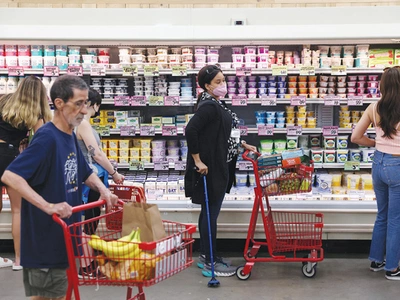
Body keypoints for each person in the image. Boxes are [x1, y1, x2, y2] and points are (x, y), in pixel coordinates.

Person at [1, 74, 118, 299]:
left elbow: (84, 172)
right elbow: (11, 175)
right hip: (45, 239)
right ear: (59, 104)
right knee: (46, 296)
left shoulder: (69, 135)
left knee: (60, 293)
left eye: (85, 103)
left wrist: (104, 191)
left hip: (65, 234)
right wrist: (48, 206)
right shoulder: (47, 137)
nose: (84, 110)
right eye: (78, 104)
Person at [184, 64, 256, 277]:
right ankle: (209, 261)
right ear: (206, 86)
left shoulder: (216, 104)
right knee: (210, 214)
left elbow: (223, 131)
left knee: (209, 213)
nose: (222, 85)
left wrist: (242, 144)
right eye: (218, 82)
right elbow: (191, 130)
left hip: (218, 165)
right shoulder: (209, 106)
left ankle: (209, 256)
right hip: (210, 168)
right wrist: (197, 160)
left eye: (224, 80)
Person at [351, 67, 400, 280]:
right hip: (397, 165)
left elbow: (355, 137)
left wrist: (375, 143)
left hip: (378, 163)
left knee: (382, 214)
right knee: (396, 219)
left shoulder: (374, 107)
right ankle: (392, 268)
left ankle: (376, 261)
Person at [0, 75, 52, 270]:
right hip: (12, 158)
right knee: (17, 210)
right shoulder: (36, 112)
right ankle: (20, 260)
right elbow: (42, 139)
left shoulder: (3, 100)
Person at [75, 88, 124, 276]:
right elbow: (96, 154)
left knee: (88, 222)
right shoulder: (84, 125)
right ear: (93, 105)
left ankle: (89, 261)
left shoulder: (76, 124)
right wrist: (114, 173)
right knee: (89, 222)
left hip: (87, 179)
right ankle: (86, 267)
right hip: (90, 180)